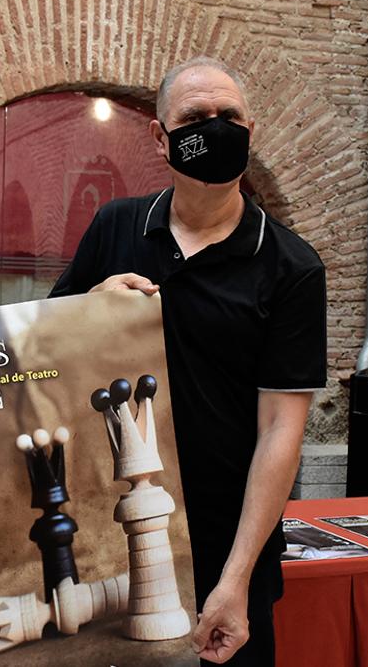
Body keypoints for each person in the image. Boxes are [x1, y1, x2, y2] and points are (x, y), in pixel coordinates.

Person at [49, 56, 327, 666]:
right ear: (161, 136)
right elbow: (46, 358)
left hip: (225, 549)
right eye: (196, 117)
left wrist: (237, 580)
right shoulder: (116, 226)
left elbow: (281, 430)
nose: (215, 128)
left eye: (230, 117)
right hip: (111, 534)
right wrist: (92, 308)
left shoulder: (291, 267)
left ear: (250, 132)